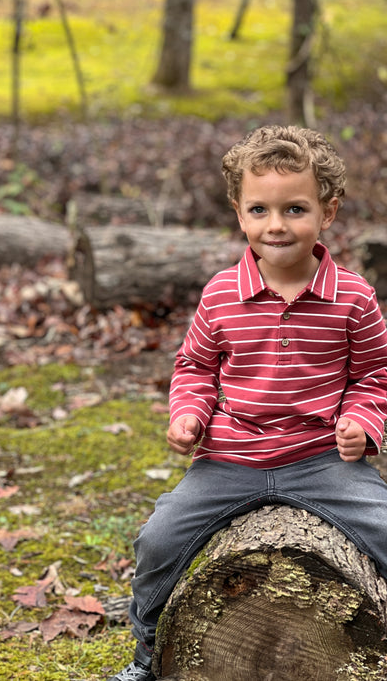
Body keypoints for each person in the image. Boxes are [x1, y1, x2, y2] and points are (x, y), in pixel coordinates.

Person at [107, 125, 387, 681]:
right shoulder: (221, 293)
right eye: (259, 209)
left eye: (295, 209)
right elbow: (195, 367)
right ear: (239, 212)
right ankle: (145, 652)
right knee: (159, 538)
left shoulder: (352, 297)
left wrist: (361, 422)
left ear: (327, 212)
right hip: (228, 460)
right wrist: (188, 413)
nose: (276, 225)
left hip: (322, 460)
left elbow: (375, 374)